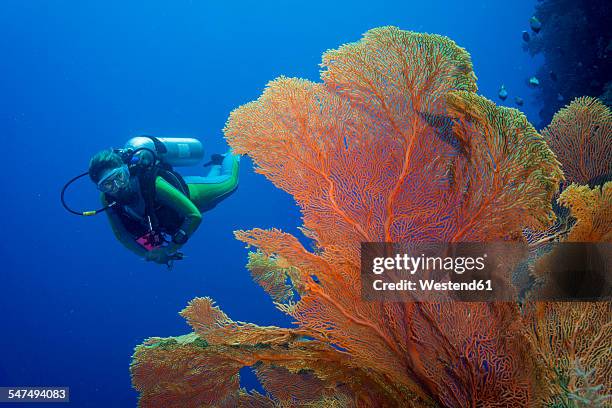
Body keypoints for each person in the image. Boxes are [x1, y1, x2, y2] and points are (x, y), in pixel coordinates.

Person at [87, 148, 239, 266]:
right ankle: (217, 163)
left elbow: (194, 215)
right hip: (171, 216)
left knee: (230, 183)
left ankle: (235, 150)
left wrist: (170, 249)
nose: (117, 187)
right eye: (108, 185)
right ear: (101, 189)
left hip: (193, 194)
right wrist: (150, 254)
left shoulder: (152, 183)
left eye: (119, 177)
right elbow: (122, 235)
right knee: (213, 192)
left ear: (126, 171)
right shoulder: (107, 200)